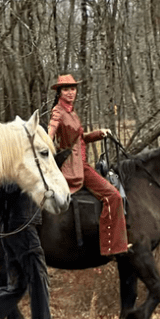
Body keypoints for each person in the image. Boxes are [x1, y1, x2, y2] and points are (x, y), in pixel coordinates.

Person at [47, 74, 130, 256]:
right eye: (66, 89)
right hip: (73, 167)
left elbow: (79, 139)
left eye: (73, 89)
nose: (70, 92)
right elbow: (50, 133)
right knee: (113, 196)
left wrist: (99, 134)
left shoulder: (72, 112)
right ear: (59, 92)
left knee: (114, 193)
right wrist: (46, 143)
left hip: (82, 164)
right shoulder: (58, 112)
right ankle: (112, 247)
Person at [0, 183, 52, 319]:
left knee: (16, 286)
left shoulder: (11, 166)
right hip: (22, 225)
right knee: (39, 277)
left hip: (12, 225)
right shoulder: (21, 164)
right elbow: (12, 188)